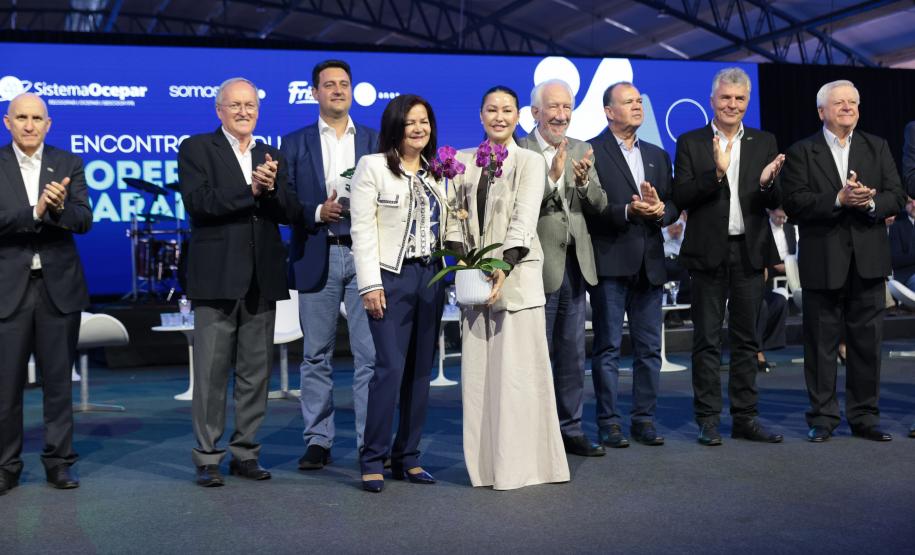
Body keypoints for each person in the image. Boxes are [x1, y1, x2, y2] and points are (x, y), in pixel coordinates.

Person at [448, 85, 569, 490]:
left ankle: (528, 468)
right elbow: (452, 218)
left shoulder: (530, 161)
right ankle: (485, 469)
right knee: (480, 382)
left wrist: (501, 267)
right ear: (480, 115)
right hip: (474, 283)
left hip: (515, 279)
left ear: (519, 116)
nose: (499, 117)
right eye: (491, 110)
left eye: (507, 110)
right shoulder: (463, 160)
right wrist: (464, 261)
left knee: (520, 379)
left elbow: (524, 218)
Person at [179, 77, 297, 486]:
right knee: (211, 374)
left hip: (262, 278)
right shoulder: (196, 148)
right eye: (234, 105)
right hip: (216, 279)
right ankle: (208, 457)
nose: (243, 111)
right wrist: (252, 189)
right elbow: (201, 204)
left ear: (258, 110)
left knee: (255, 372)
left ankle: (245, 452)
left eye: (249, 105)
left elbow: (289, 211)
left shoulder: (272, 153)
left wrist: (270, 191)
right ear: (219, 110)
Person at [781, 79, 906, 443]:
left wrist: (868, 202)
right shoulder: (803, 151)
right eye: (840, 103)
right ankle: (823, 417)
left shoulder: (877, 146)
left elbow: (896, 196)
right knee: (820, 345)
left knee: (867, 343)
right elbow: (794, 203)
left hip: (869, 262)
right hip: (823, 262)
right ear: (822, 111)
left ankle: (864, 416)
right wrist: (838, 198)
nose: (848, 108)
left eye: (853, 102)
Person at [672, 67, 786, 446]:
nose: (732, 105)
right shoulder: (691, 142)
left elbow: (775, 200)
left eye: (739, 99)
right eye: (726, 98)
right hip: (707, 253)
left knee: (746, 340)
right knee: (706, 339)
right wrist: (716, 174)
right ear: (712, 100)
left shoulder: (763, 140)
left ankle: (745, 418)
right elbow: (683, 196)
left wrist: (770, 183)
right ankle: (708, 419)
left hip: (750, 251)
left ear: (747, 102)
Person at [281, 60, 379, 470]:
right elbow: (283, 203)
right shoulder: (294, 142)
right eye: (329, 85)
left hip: (366, 256)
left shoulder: (375, 139)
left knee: (368, 355)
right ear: (315, 92)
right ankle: (318, 440)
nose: (338, 90)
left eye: (344, 84)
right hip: (316, 252)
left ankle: (368, 441)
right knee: (316, 355)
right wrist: (318, 211)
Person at [350, 94, 447, 493]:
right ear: (396, 126)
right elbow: (362, 229)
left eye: (424, 121)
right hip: (390, 278)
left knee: (421, 372)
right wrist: (370, 284)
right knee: (390, 368)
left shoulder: (438, 171)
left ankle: (408, 457)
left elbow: (451, 223)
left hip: (431, 277)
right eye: (411, 122)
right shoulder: (372, 167)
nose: (419, 128)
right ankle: (373, 458)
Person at [0, 93, 92, 494]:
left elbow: (83, 220)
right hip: (8, 290)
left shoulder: (68, 163)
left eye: (37, 117)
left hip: (59, 289)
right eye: (22, 116)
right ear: (8, 122)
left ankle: (59, 462)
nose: (30, 124)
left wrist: (56, 209)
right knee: (6, 387)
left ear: (48, 124)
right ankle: (6, 465)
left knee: (58, 384)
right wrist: (36, 211)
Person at [517, 79, 607, 457]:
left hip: (574, 266)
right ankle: (533, 433)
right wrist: (553, 175)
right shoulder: (519, 151)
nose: (561, 115)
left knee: (572, 354)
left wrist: (584, 183)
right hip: (534, 267)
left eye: (567, 107)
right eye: (553, 107)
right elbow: (518, 209)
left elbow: (599, 205)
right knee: (533, 354)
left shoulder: (583, 149)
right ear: (535, 112)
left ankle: (570, 428)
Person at [586, 82, 679, 448]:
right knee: (608, 348)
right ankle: (609, 422)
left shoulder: (657, 153)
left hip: (650, 265)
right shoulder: (592, 151)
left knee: (649, 350)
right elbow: (588, 208)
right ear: (609, 111)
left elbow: (671, 204)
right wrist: (626, 210)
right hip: (611, 262)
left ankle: (644, 419)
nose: (638, 106)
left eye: (640, 100)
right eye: (629, 102)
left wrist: (661, 211)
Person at [756, 207, 796, 372]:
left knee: (780, 300)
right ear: (770, 213)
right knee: (762, 306)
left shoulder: (789, 229)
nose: (781, 221)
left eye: (784, 218)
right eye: (779, 217)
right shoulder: (762, 228)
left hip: (781, 271)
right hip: (757, 275)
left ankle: (767, 344)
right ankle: (757, 351)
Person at [889, 197, 915, 290]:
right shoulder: (897, 225)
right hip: (908, 274)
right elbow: (895, 260)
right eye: (909, 202)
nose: (914, 205)